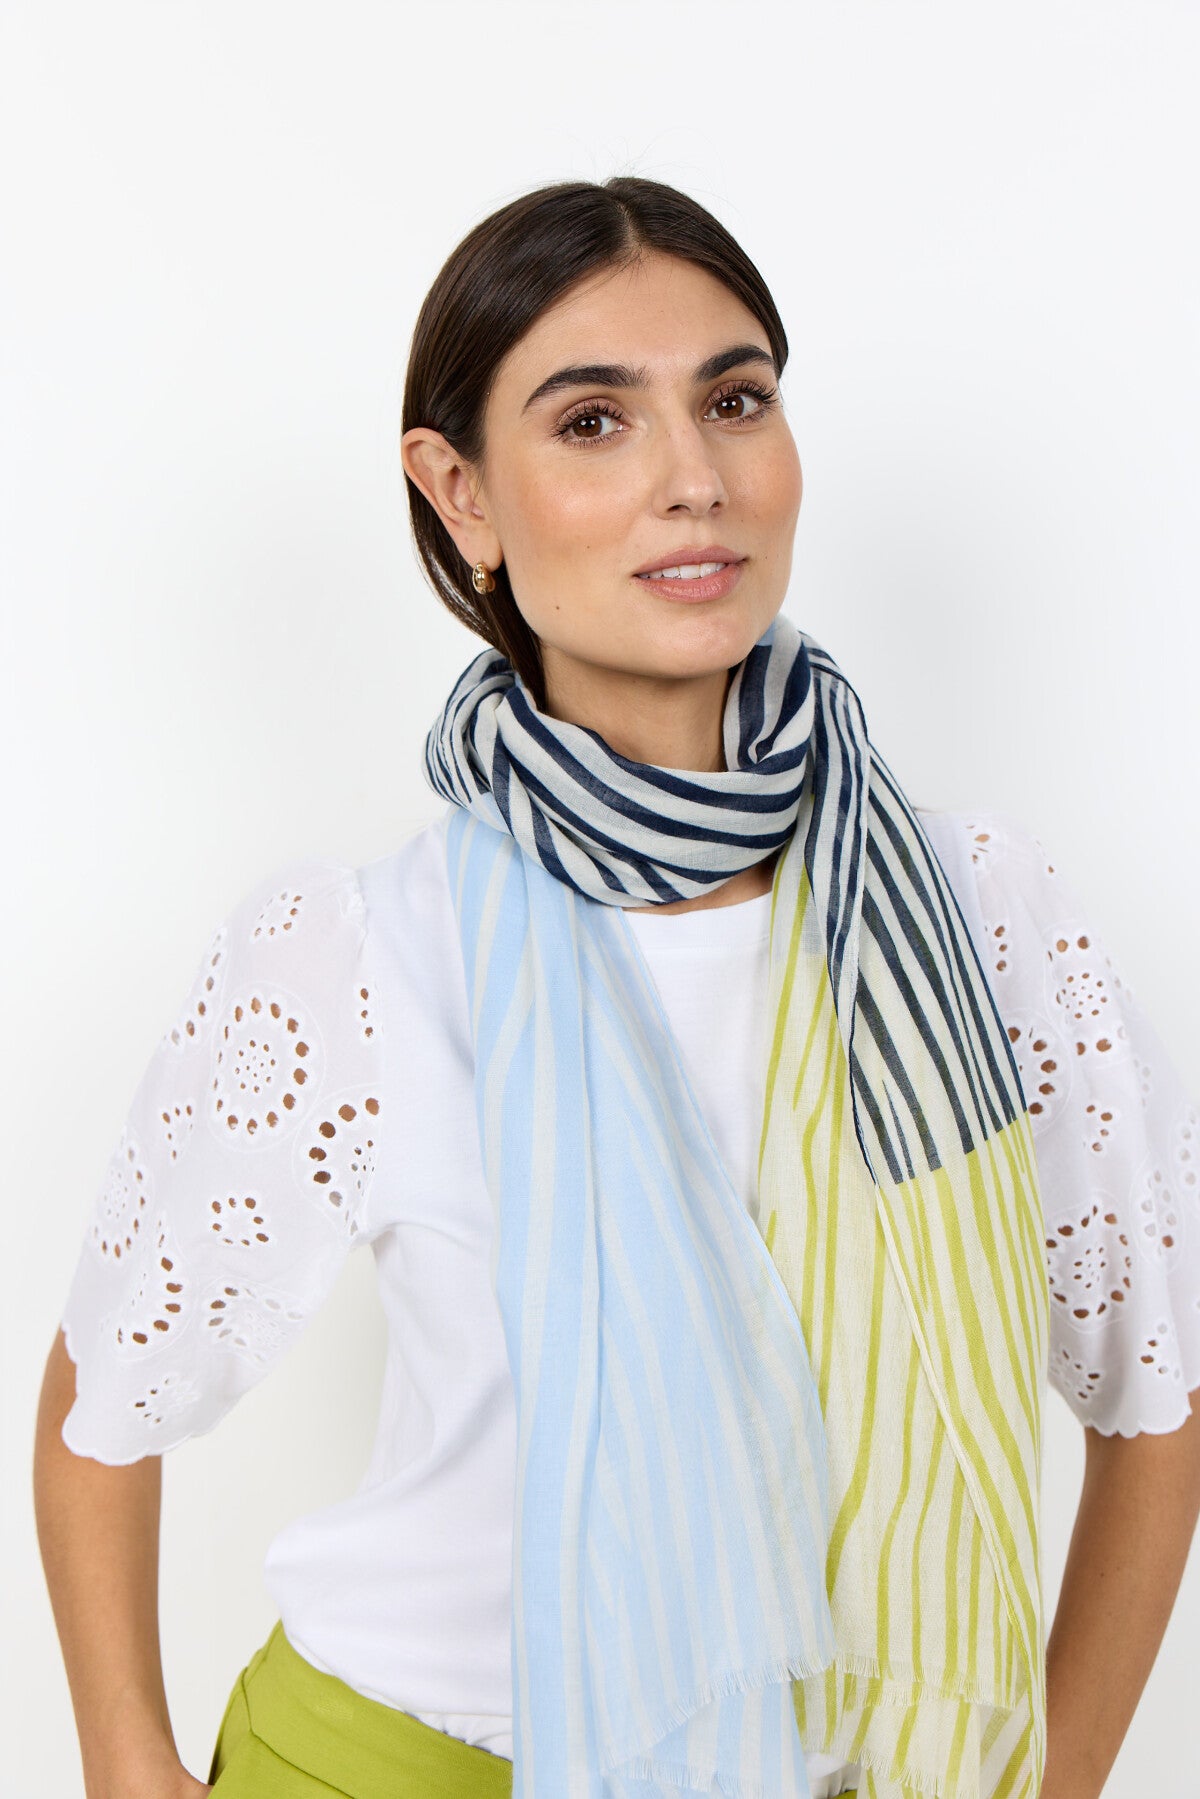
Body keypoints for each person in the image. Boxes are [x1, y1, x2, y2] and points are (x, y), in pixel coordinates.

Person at [33, 176, 1200, 1799]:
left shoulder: (979, 919)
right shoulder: (361, 950)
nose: (694, 479)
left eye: (736, 400)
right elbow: (106, 1395)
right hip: (393, 1765)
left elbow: (1152, 1399)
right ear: (462, 496)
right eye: (593, 422)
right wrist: (125, 1763)